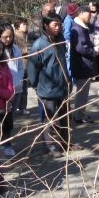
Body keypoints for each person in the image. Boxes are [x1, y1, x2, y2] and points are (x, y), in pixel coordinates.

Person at [28, 11, 72, 158]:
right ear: (46, 26)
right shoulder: (39, 45)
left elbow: (64, 63)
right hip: (47, 89)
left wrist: (67, 81)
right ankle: (50, 146)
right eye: (54, 25)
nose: (57, 27)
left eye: (59, 24)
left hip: (62, 86)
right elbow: (32, 69)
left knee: (64, 117)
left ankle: (65, 143)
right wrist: (37, 87)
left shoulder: (60, 41)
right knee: (49, 119)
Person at [70, 5, 99, 123]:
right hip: (82, 65)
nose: (90, 16)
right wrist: (94, 52)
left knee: (82, 91)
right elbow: (81, 48)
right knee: (82, 91)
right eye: (88, 13)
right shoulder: (78, 28)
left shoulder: (80, 27)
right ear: (81, 13)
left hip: (83, 64)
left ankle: (79, 114)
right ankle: (79, 116)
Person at [13, 17, 31, 115]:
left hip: (27, 64)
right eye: (23, 24)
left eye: (26, 24)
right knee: (17, 87)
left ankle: (22, 107)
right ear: (18, 26)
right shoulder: (14, 36)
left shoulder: (26, 35)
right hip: (18, 65)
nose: (25, 26)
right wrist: (25, 52)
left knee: (25, 88)